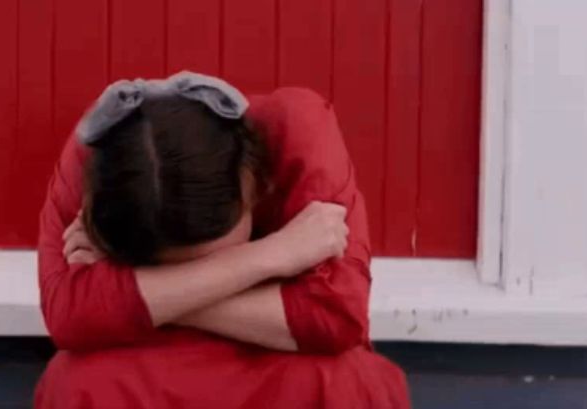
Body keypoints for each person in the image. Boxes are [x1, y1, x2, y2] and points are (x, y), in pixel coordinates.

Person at [34, 72, 410, 408]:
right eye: (175, 268)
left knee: (351, 379)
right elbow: (70, 318)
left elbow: (337, 318)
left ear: (253, 186)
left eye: (213, 257)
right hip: (167, 346)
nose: (205, 274)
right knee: (74, 381)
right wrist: (272, 254)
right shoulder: (96, 158)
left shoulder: (299, 130)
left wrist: (137, 292)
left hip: (273, 347)